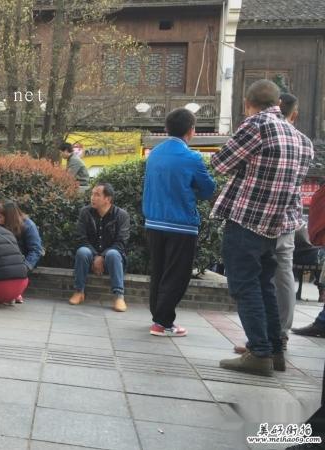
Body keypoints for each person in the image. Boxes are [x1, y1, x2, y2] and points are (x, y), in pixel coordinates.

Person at [214, 80, 313, 377]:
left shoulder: (256, 125)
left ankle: (258, 353)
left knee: (244, 285)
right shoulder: (301, 139)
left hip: (247, 219)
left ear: (247, 103)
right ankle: (275, 349)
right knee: (264, 284)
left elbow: (220, 163)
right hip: (276, 224)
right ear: (279, 104)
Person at [234, 93, 312, 354]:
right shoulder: (303, 141)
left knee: (252, 278)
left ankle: (260, 342)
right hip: (287, 217)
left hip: (256, 216)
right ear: (294, 114)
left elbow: (227, 164)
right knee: (281, 274)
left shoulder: (259, 130)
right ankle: (278, 336)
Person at [142, 108, 216, 337]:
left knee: (159, 271)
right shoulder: (192, 158)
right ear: (191, 130)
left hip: (153, 221)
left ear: (166, 128)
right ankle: (163, 322)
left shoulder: (154, 153)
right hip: (181, 225)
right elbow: (208, 189)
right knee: (177, 275)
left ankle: (157, 317)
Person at [70, 183, 130, 312]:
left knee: (113, 254)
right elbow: (80, 238)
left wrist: (102, 256)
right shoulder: (85, 212)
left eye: (97, 195)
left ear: (107, 199)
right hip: (90, 257)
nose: (92, 197)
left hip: (112, 259)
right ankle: (79, 292)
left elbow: (121, 243)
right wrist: (96, 256)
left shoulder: (121, 215)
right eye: (92, 194)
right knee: (82, 251)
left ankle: (119, 296)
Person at [0, 199, 43, 303]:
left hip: (23, 259)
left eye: (1, 217)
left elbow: (36, 250)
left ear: (9, 217)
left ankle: (14, 292)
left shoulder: (28, 226)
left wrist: (26, 267)